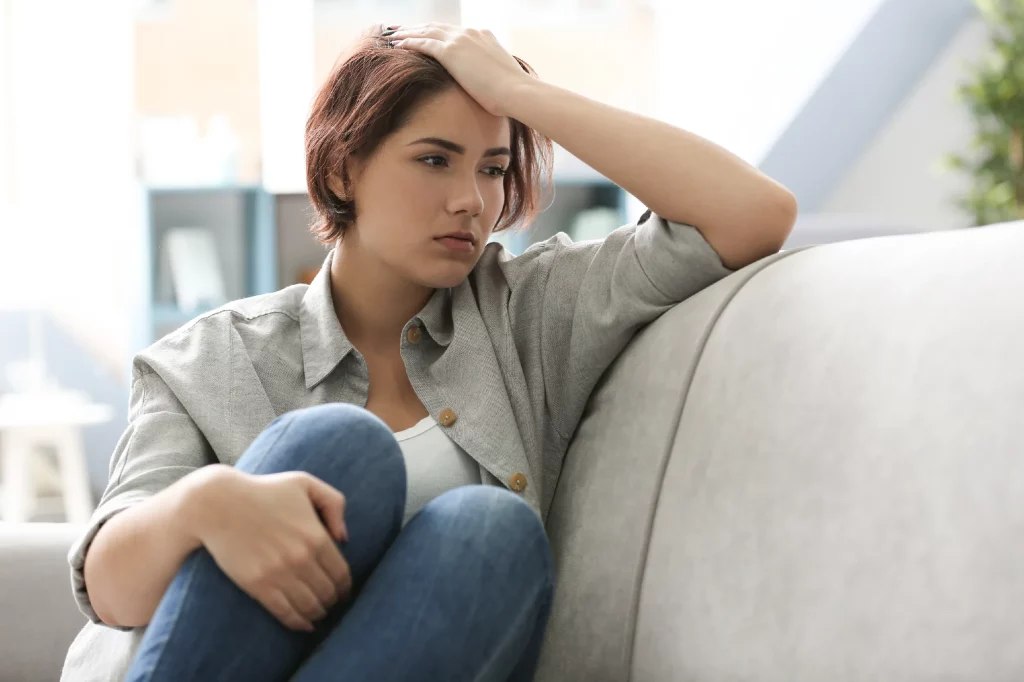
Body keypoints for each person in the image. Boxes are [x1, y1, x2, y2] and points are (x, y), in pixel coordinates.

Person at [60, 22, 798, 682]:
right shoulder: (212, 358)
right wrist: (204, 505)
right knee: (338, 448)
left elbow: (753, 214)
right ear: (344, 170)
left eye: (492, 168)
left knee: (492, 532)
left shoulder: (528, 313)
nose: (472, 200)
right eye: (436, 159)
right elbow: (109, 587)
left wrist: (521, 94)